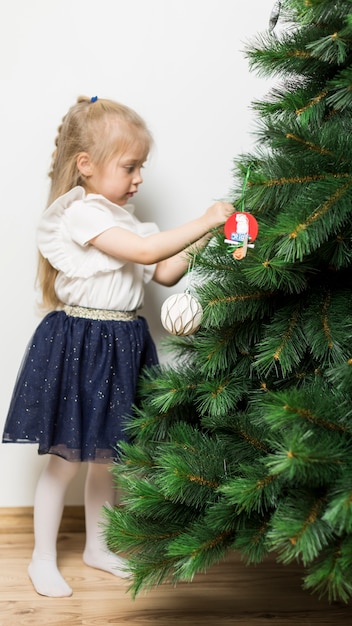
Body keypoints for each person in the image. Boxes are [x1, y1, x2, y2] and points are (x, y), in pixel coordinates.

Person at [2, 95, 235, 598]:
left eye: (141, 167)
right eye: (130, 166)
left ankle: (98, 547)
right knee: (65, 458)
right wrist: (204, 219)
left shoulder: (131, 224)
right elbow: (149, 252)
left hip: (124, 342)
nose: (139, 178)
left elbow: (166, 268)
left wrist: (208, 236)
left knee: (110, 456)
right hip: (81, 342)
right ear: (85, 166)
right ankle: (42, 558)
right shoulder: (83, 214)